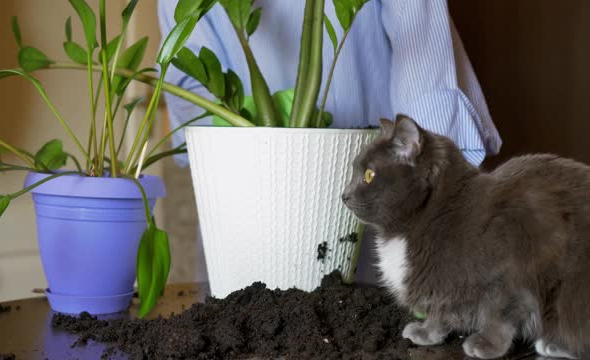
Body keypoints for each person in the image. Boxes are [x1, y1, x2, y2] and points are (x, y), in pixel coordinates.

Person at [158, 0, 502, 284]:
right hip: (245, 203)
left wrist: (431, 193)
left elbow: (420, 42)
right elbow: (187, 74)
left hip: (376, 201)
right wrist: (241, 123)